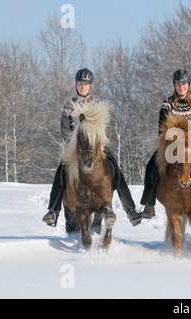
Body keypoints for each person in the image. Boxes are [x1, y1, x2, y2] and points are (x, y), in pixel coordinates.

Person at [42, 68, 142, 227]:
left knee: (115, 170)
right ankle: (53, 211)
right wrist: (72, 144)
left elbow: (103, 126)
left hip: (96, 146)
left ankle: (131, 210)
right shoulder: (69, 105)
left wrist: (102, 142)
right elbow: (65, 129)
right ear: (76, 85)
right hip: (76, 148)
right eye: (80, 84)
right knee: (62, 170)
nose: (83, 87)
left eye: (86, 84)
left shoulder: (96, 104)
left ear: (90, 86)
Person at [140, 69, 191, 219]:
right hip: (172, 143)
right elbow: (162, 127)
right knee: (150, 167)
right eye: (178, 84)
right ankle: (148, 204)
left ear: (188, 85)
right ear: (174, 85)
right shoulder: (167, 104)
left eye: (184, 84)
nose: (181, 87)